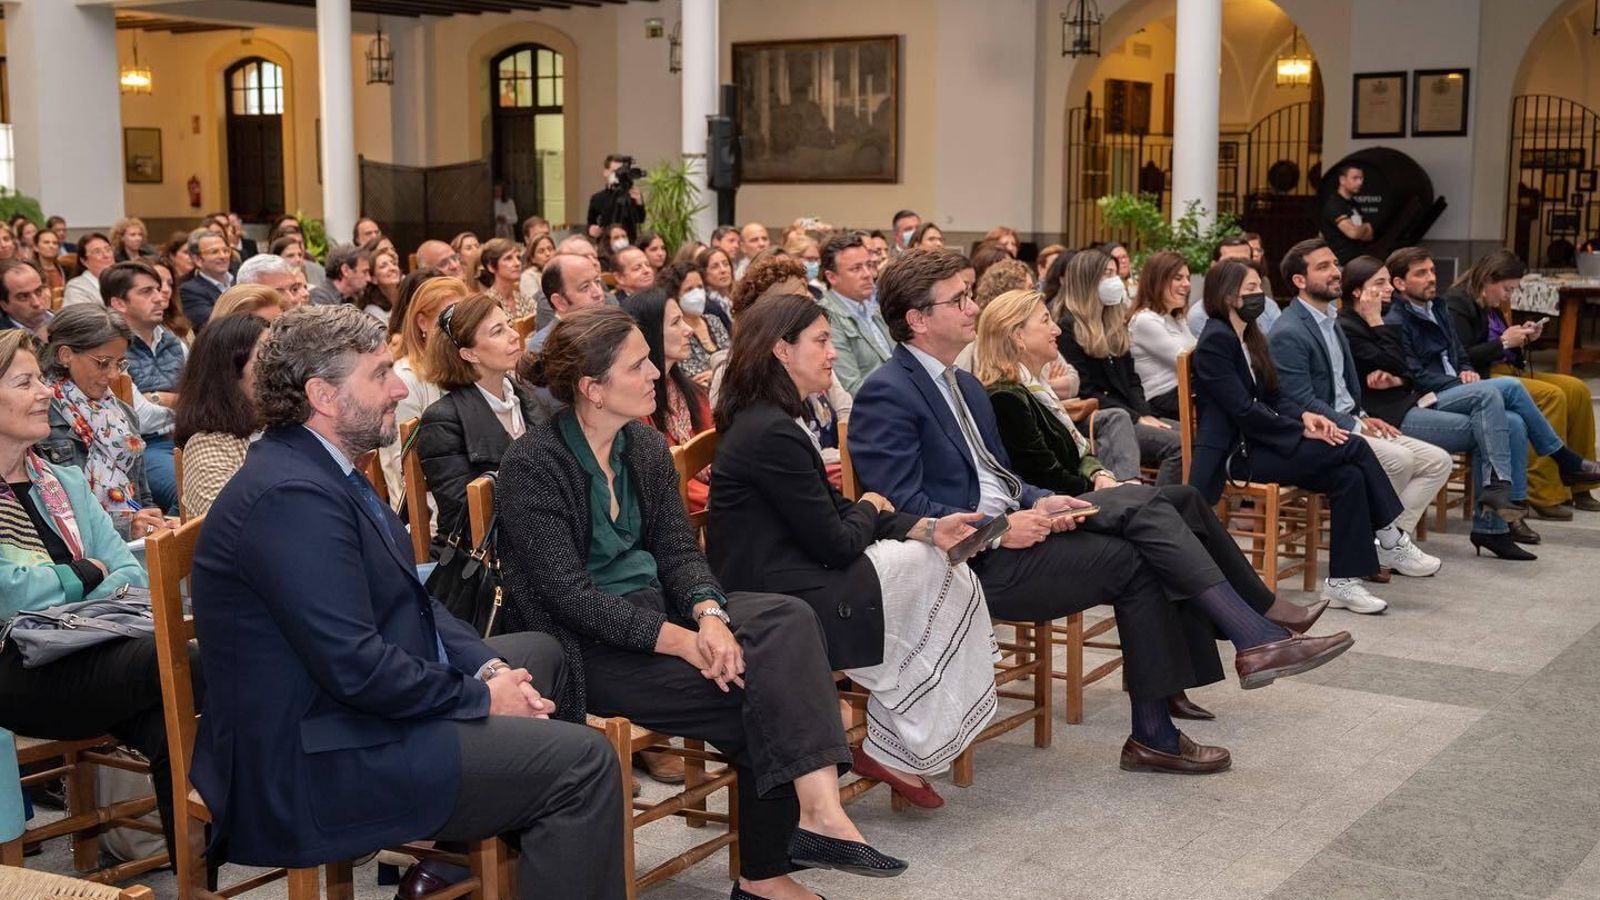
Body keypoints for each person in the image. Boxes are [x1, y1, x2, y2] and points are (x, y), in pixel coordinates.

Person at [850, 249, 1353, 773]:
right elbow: (902, 507)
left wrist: (1040, 499)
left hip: (1022, 528)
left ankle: (1196, 694)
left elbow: (999, 477)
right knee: (1146, 528)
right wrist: (1001, 530)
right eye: (959, 299)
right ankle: (1240, 648)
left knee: (1148, 523)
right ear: (917, 319)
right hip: (972, 563)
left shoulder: (965, 385)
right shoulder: (887, 392)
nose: (974, 307)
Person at [189, 304, 624, 899]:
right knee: (585, 763)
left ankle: (468, 857)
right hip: (313, 756)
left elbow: (415, 601)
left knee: (541, 654)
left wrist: (490, 671)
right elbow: (356, 667)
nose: (399, 388)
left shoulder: (322, 467)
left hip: (345, 713)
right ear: (322, 394)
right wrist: (477, 697)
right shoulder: (292, 496)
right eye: (379, 374)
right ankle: (522, 820)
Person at [497, 306, 909, 899]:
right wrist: (683, 641)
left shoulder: (640, 445)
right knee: (767, 700)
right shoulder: (534, 463)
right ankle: (768, 875)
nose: (655, 376)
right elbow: (568, 598)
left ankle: (818, 815)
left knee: (787, 616)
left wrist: (709, 617)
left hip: (657, 612)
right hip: (587, 648)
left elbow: (680, 554)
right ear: (592, 388)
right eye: (638, 366)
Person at [708, 292, 998, 806]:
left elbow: (830, 518)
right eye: (820, 341)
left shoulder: (773, 419)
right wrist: (868, 504)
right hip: (772, 595)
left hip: (793, 569)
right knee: (926, 570)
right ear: (781, 351)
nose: (832, 353)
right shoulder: (771, 430)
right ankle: (897, 740)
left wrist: (926, 527)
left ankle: (896, 740)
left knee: (930, 559)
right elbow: (838, 542)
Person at [0, 328, 185, 860]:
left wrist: (77, 581)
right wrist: (84, 574)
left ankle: (197, 878)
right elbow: (12, 596)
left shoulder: (64, 481)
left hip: (97, 654)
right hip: (19, 671)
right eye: (26, 381)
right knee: (178, 659)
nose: (46, 392)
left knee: (167, 723)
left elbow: (129, 571)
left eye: (41, 378)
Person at [1189, 259, 1407, 613]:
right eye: (1251, 290)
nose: (1260, 295)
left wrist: (1306, 415)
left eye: (1260, 288)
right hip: (1238, 455)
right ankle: (1389, 535)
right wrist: (1300, 428)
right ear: (1228, 296)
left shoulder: (1252, 335)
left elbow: (1274, 397)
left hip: (1266, 442)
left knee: (1348, 475)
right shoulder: (1216, 340)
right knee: (1353, 446)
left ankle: (1343, 583)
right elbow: (1243, 410)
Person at [1384, 246, 1600, 537]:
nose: (1431, 278)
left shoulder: (1437, 307)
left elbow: (1459, 353)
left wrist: (1464, 370)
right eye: (1421, 273)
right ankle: (1563, 459)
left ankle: (1501, 524)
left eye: (1432, 270)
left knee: (1514, 422)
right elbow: (1417, 375)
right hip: (1428, 398)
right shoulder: (1399, 319)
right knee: (1508, 389)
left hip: (1457, 386)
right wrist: (1463, 378)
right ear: (1399, 284)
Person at [1267, 239, 1449, 575]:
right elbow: (1300, 399)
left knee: (1438, 461)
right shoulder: (1289, 331)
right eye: (1323, 267)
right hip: (1323, 430)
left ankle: (1384, 544)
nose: (1336, 272)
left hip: (1354, 418)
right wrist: (1354, 425)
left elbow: (1348, 388)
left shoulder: (1332, 319)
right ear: (1299, 281)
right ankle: (1379, 544)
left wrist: (1364, 416)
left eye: (1335, 264)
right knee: (1400, 459)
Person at [1337, 255, 1536, 560]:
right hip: (1390, 414)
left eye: (1388, 281)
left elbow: (1403, 367)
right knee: (1499, 419)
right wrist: (1381, 333)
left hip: (1406, 401)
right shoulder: (1354, 324)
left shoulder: (1390, 316)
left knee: (1507, 421)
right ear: (1357, 292)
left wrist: (1396, 376)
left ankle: (1494, 521)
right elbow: (1399, 365)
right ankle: (1494, 518)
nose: (1388, 288)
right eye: (1380, 283)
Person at [1445, 249, 1598, 517]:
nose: (1508, 296)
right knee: (1552, 395)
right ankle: (1543, 492)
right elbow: (1462, 355)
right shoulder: (1458, 302)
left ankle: (1580, 484)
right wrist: (1504, 341)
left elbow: (1507, 350)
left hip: (1503, 369)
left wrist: (1524, 338)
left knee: (1577, 389)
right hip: (1480, 374)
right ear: (1488, 279)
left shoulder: (1491, 304)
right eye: (1506, 289)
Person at [417, 292, 553, 550]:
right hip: (487, 559)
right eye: (498, 331)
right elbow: (466, 514)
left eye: (509, 324)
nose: (514, 335)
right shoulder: (443, 421)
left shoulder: (527, 398)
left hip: (540, 539)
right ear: (469, 354)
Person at [1053, 249, 1184, 485]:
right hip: (1105, 420)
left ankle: (1178, 505)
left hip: (1131, 414)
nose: (1114, 281)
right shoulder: (1068, 328)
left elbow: (1133, 380)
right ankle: (1162, 507)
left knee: (1193, 439)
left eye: (1115, 274)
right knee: (1180, 445)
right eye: (1106, 274)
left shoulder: (1113, 324)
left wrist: (1144, 413)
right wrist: (1137, 418)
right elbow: (1087, 391)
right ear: (1088, 280)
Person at [36, 305, 169, 537]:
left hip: (128, 540)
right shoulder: (40, 418)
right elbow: (52, 516)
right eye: (103, 362)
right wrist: (126, 527)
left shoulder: (123, 414)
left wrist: (152, 521)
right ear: (65, 355)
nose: (113, 375)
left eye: (120, 363)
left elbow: (142, 498)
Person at [103, 260, 186, 514]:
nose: (160, 298)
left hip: (188, 435)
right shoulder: (114, 350)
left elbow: (205, 398)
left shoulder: (173, 341)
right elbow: (141, 419)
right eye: (146, 291)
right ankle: (166, 551)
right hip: (146, 446)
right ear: (119, 303)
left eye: (159, 289)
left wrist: (159, 398)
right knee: (186, 493)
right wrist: (184, 402)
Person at [380, 276, 472, 503]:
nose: (459, 327)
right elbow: (405, 474)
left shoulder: (464, 364)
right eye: (450, 317)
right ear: (422, 323)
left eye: (465, 317)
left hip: (466, 491)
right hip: (429, 511)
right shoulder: (405, 380)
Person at [622, 288, 713, 509]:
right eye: (676, 323)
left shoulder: (692, 393)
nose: (689, 330)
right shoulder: (635, 409)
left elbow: (715, 447)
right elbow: (667, 482)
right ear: (649, 333)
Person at [172, 313, 267, 516]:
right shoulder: (209, 446)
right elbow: (232, 529)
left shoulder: (279, 426)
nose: (278, 366)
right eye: (264, 358)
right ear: (230, 373)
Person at [1127, 251, 1197, 420]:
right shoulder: (1145, 320)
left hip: (1185, 391)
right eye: (1178, 278)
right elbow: (1188, 360)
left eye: (1188, 278)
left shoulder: (1174, 317)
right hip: (1163, 398)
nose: (1187, 284)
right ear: (1158, 281)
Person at [821, 233, 893, 394]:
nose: (868, 274)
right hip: (876, 407)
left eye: (868, 265)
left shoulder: (875, 306)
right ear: (831, 277)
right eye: (856, 268)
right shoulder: (826, 317)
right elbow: (851, 387)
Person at [1188, 236, 1284, 337]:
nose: (1237, 268)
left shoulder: (1268, 307)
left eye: (1244, 261)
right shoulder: (1200, 315)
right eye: (1230, 262)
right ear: (1214, 266)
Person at [528, 253, 608, 354]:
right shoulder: (544, 348)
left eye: (597, 282)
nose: (598, 293)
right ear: (560, 302)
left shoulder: (608, 326)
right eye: (585, 287)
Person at [678, 253, 733, 390]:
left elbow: (735, 361)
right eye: (689, 289)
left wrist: (716, 374)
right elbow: (696, 379)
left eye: (700, 287)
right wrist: (725, 372)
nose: (697, 294)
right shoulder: (678, 331)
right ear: (675, 295)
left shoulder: (713, 320)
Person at [177, 229, 235, 329]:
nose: (223, 256)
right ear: (197, 259)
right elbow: (214, 326)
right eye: (214, 252)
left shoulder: (239, 281)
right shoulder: (189, 291)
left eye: (226, 250)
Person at [585, 154, 646, 242]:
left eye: (621, 172)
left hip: (630, 243)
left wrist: (639, 202)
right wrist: (591, 230)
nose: (618, 175)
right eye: (615, 171)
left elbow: (640, 219)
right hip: (605, 245)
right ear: (605, 172)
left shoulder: (633, 195)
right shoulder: (597, 198)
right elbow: (591, 223)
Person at [1322, 162, 1374, 263]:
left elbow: (1370, 235)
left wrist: (1360, 229)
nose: (1360, 182)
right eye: (1355, 178)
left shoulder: (1354, 204)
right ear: (1342, 180)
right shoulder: (1334, 204)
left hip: (1356, 262)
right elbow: (1353, 233)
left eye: (1361, 178)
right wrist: (1365, 226)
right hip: (1340, 263)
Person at [477, 237, 536, 319]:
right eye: (508, 258)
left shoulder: (526, 300)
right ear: (491, 266)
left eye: (518, 258)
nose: (517, 263)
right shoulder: (486, 304)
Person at [0, 260, 53, 337]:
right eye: (23, 297)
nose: (36, 303)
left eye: (39, 291)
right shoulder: (4, 342)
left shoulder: (65, 321)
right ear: (4, 305)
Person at [62, 233, 116, 308]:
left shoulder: (123, 280)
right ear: (84, 261)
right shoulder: (76, 288)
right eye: (97, 252)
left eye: (108, 250)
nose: (106, 255)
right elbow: (82, 318)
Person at [309, 243, 371, 309]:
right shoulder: (319, 298)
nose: (368, 279)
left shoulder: (354, 298)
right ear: (345, 270)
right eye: (364, 272)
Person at [362, 245, 403, 322]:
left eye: (394, 263)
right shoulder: (372, 312)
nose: (392, 268)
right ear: (373, 278)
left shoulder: (406, 298)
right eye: (383, 266)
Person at [697, 246, 737, 315]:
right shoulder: (705, 306)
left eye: (726, 264)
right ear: (703, 273)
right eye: (715, 267)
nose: (723, 270)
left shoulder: (741, 294)